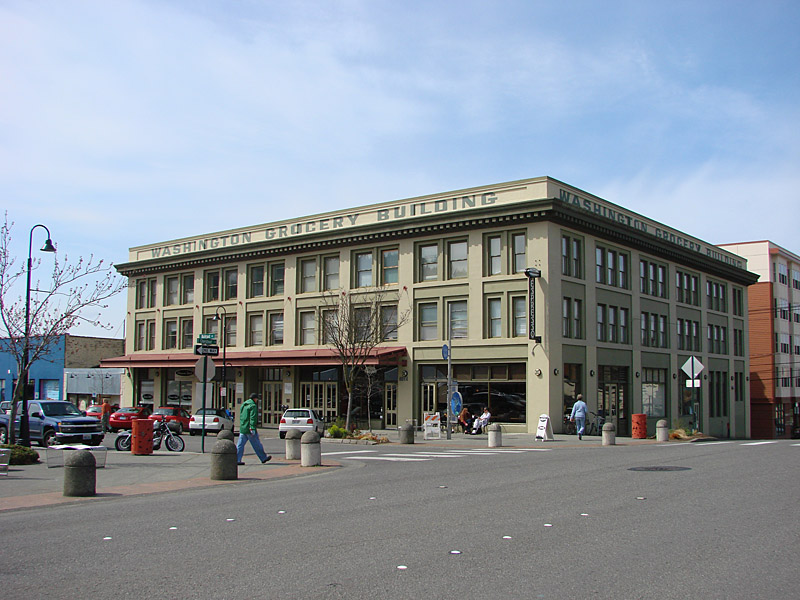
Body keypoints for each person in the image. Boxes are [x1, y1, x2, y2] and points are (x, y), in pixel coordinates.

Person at [236, 393, 271, 465]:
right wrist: (252, 427)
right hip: (249, 428)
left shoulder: (244, 405)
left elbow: (241, 416)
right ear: (255, 399)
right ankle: (263, 458)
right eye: (256, 399)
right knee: (256, 444)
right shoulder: (253, 406)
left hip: (243, 427)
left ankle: (237, 459)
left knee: (240, 444)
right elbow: (253, 417)